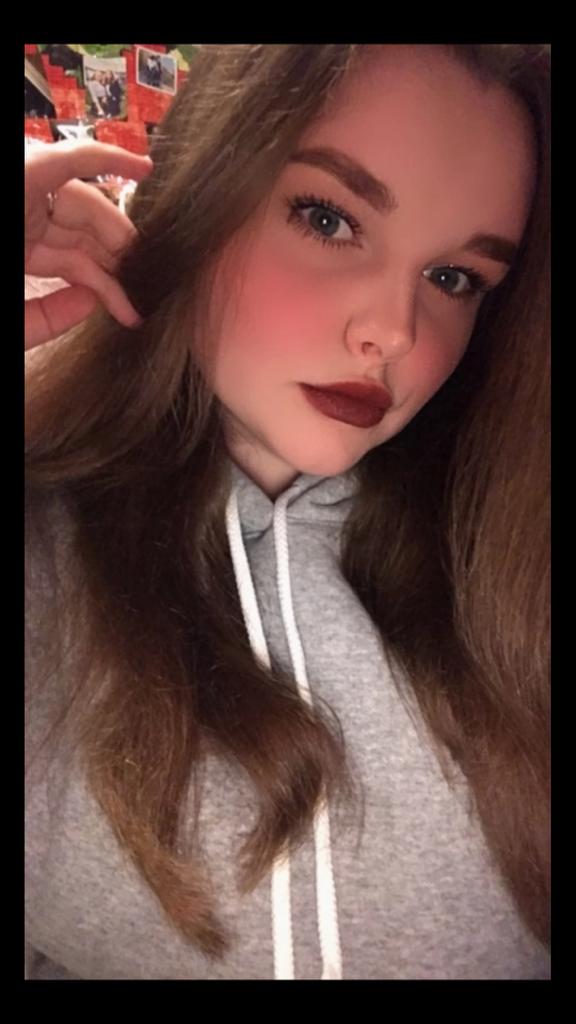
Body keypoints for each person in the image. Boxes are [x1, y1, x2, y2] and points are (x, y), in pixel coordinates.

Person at [25, 44, 550, 980]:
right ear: (202, 192)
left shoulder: (514, 558)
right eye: (329, 218)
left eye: (455, 278)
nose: (393, 331)